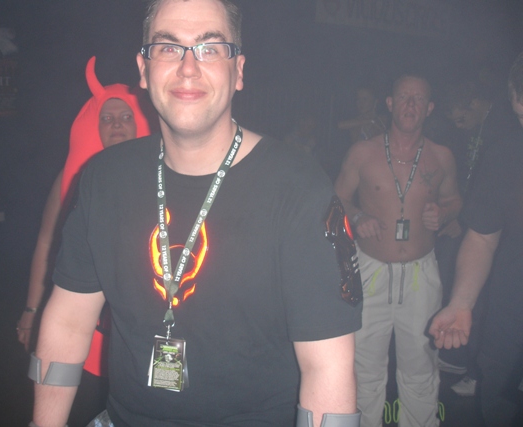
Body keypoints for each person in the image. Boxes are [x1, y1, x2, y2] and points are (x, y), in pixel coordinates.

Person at [29, 1, 362, 426]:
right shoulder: (104, 178)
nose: (188, 68)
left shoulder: (298, 188)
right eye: (168, 48)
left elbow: (327, 368)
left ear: (238, 71)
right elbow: (68, 322)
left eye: (209, 48)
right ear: (143, 69)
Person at [16, 56, 152, 426]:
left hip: (142, 334)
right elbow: (46, 244)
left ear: (140, 122)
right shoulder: (73, 177)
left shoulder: (166, 177)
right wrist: (32, 310)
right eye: (106, 118)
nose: (116, 125)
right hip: (82, 328)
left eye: (125, 117)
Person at [335, 74, 462, 427]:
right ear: (390, 103)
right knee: (364, 366)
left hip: (421, 273)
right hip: (369, 270)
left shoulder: (441, 156)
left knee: (421, 366)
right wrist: (357, 216)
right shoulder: (363, 152)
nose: (410, 104)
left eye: (418, 99)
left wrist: (444, 213)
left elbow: (454, 199)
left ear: (429, 108)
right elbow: (337, 198)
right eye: (404, 97)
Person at [429, 52, 523, 426]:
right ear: (515, 98)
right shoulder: (505, 154)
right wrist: (461, 302)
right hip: (510, 326)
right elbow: (483, 237)